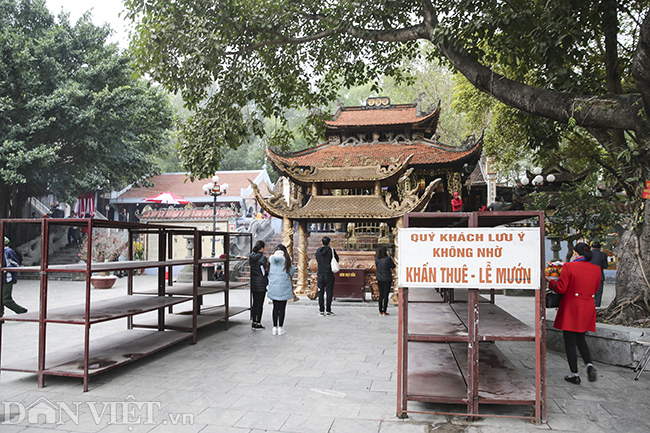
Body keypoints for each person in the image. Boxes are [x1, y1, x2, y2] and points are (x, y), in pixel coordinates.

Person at [546, 242, 601, 384]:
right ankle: (589, 364)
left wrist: (551, 282)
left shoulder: (569, 267)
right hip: (587, 305)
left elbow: (561, 289)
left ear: (575, 253)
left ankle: (574, 374)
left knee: (570, 341)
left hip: (572, 306)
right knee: (581, 338)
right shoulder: (596, 269)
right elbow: (595, 289)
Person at [267, 244, 295, 335]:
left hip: (274, 286)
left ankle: (274, 327)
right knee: (282, 308)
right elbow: (291, 272)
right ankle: (280, 328)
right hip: (283, 287)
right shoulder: (287, 260)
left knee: (275, 308)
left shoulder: (270, 260)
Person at [2, 237, 28, 317]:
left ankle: (21, 311)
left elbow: (15, 264)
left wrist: (6, 269)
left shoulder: (8, 252)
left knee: (5, 299)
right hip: (2, 278)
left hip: (7, 278)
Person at [315, 236, 339, 316]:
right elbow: (337, 259)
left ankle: (321, 310)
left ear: (321, 243)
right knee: (329, 292)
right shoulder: (331, 251)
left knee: (320, 293)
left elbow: (317, 259)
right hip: (329, 274)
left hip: (320, 274)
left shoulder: (318, 251)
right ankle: (328, 310)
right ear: (329, 243)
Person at [249, 241, 269, 330]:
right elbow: (264, 271)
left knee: (255, 303)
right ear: (262, 248)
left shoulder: (251, 257)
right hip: (261, 283)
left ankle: (254, 321)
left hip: (254, 282)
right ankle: (258, 322)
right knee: (260, 304)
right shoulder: (263, 258)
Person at [375, 245, 396, 316]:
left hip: (380, 278)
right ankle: (384, 310)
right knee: (386, 295)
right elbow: (393, 266)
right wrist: (389, 256)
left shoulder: (376, 259)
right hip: (387, 279)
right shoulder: (388, 259)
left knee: (381, 295)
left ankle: (380, 310)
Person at [590, 242, 608, 307]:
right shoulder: (603, 254)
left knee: (589, 291)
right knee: (599, 292)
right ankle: (597, 306)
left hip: (589, 275)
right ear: (600, 248)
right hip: (599, 275)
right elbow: (605, 266)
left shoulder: (589, 254)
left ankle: (589, 305)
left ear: (591, 247)